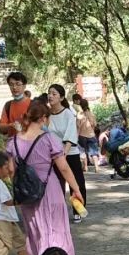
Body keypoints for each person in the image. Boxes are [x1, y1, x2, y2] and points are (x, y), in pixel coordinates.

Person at [9, 100, 84, 255]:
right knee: (55, 227)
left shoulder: (12, 142)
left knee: (36, 229)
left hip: (27, 194)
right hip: (49, 189)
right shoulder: (49, 139)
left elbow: (11, 172)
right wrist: (76, 189)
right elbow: (63, 168)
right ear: (43, 118)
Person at [46, 84, 86, 219]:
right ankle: (59, 213)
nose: (50, 96)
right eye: (49, 93)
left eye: (54, 94)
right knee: (57, 185)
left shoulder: (68, 114)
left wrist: (63, 154)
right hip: (54, 155)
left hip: (70, 153)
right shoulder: (46, 115)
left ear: (61, 97)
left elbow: (70, 136)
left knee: (76, 182)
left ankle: (78, 210)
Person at [0, 71, 31, 138]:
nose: (14, 87)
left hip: (31, 145)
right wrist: (11, 126)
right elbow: (1, 128)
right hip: (13, 145)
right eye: (11, 84)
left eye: (18, 84)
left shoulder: (33, 104)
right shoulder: (8, 105)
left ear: (24, 86)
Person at [73, 95, 100, 174]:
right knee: (94, 152)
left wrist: (76, 136)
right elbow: (95, 124)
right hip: (91, 135)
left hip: (82, 135)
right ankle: (96, 167)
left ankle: (85, 167)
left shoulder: (80, 115)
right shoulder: (91, 114)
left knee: (83, 151)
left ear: (80, 105)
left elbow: (78, 126)